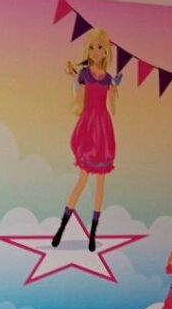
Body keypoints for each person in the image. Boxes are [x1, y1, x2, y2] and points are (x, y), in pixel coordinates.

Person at [50, 28, 121, 252]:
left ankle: (93, 232)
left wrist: (114, 93)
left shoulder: (108, 79)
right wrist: (74, 77)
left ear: (106, 51)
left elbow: (113, 110)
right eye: (92, 47)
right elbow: (79, 100)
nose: (95, 51)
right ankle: (62, 226)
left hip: (103, 127)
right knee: (82, 180)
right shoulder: (84, 75)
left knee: (100, 183)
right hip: (89, 125)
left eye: (100, 47)